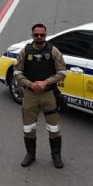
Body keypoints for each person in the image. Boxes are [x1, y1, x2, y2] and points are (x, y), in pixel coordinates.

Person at [13, 23, 67, 168]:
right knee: (28, 127)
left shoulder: (53, 51)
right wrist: (30, 84)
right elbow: (17, 73)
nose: (39, 37)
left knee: (54, 127)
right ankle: (30, 154)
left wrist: (45, 82)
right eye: (36, 34)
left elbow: (62, 72)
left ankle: (56, 156)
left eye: (42, 35)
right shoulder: (25, 51)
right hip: (30, 95)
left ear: (45, 35)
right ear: (32, 35)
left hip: (49, 94)